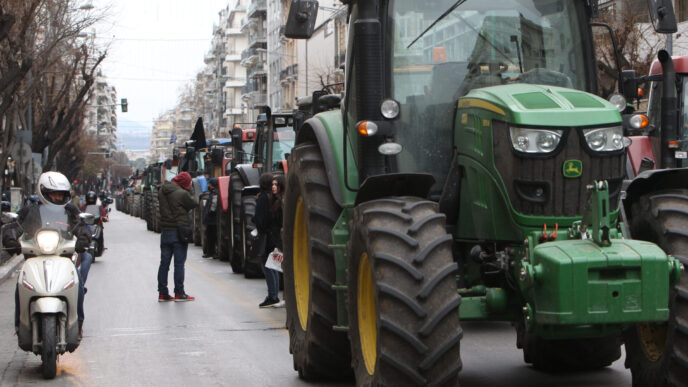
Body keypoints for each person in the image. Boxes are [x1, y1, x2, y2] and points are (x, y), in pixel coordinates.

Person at [4, 172, 93, 339]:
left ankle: (78, 323)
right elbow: (15, 225)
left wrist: (83, 238)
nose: (58, 197)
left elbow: (81, 227)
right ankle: (20, 324)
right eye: (54, 193)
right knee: (21, 284)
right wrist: (10, 238)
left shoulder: (71, 211)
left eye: (61, 194)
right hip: (35, 256)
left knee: (78, 283)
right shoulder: (30, 211)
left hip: (63, 256)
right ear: (43, 192)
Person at [157, 171, 198, 302]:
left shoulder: (162, 191)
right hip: (179, 232)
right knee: (179, 264)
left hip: (165, 232)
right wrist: (191, 188)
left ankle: (162, 293)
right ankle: (179, 293)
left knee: (164, 264)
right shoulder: (182, 194)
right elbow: (194, 202)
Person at [253, 173, 284, 308]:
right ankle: (274, 294)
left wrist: (257, 224)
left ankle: (272, 296)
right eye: (272, 184)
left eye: (276, 184)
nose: (274, 186)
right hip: (275, 235)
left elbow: (261, 219)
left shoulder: (262, 198)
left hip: (267, 235)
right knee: (273, 265)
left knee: (267, 265)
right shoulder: (274, 198)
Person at [202, 178, 218, 259]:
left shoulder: (215, 193)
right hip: (211, 220)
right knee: (209, 236)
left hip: (213, 219)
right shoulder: (212, 193)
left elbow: (213, 205)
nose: (208, 185)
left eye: (209, 184)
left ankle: (212, 252)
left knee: (212, 236)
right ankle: (209, 252)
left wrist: (210, 213)